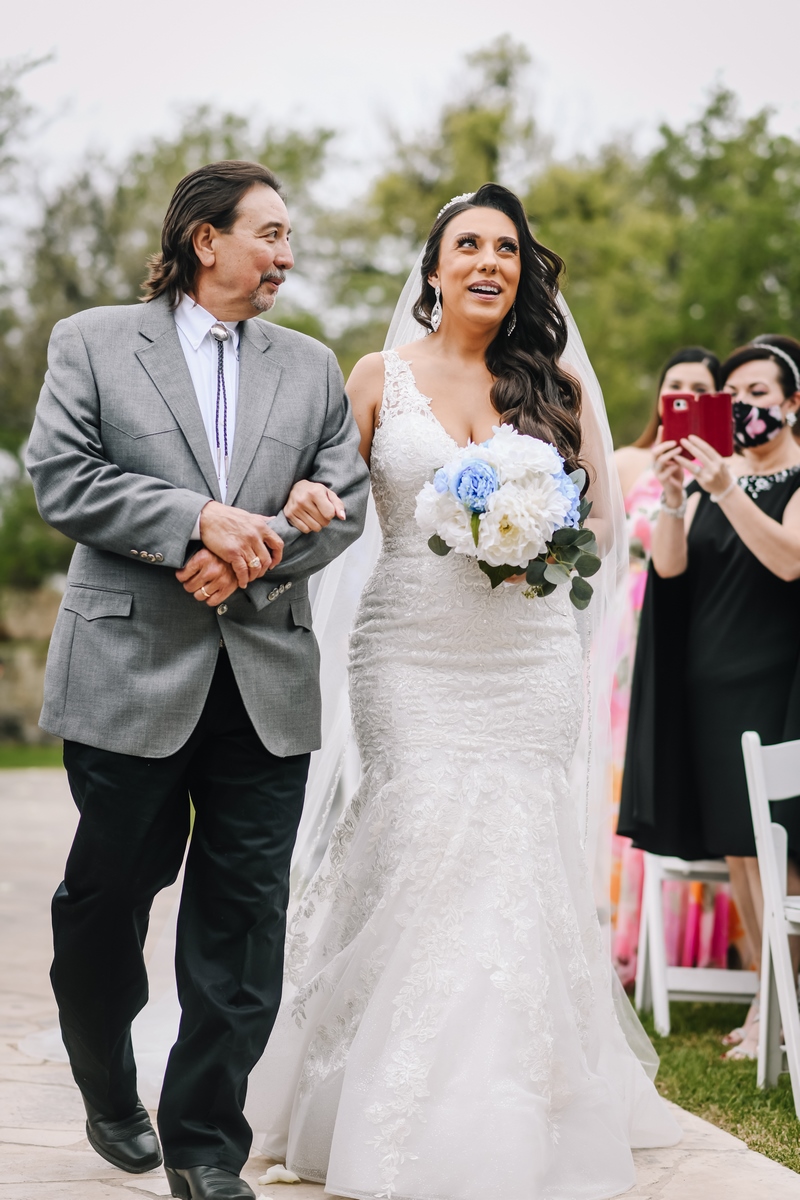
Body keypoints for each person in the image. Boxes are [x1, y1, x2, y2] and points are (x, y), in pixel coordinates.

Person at [245, 183, 680, 1200]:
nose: (489, 262)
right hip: (409, 653)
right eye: (469, 245)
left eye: (507, 250)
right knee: (419, 843)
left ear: (523, 275)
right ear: (434, 269)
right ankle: (376, 1098)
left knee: (510, 859)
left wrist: (535, 537)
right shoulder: (377, 376)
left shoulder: (554, 387)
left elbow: (599, 525)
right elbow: (321, 498)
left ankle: (503, 1113)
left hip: (527, 657)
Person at [25, 160, 370, 1200]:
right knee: (106, 899)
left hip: (265, 680)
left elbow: (343, 497)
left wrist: (251, 553)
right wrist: (195, 522)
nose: (286, 254)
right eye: (270, 233)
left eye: (289, 236)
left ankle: (206, 1144)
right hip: (127, 669)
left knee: (244, 919)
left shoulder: (310, 366)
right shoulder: (92, 341)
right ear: (204, 239)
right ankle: (103, 1075)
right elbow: (63, 477)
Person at [619, 334, 800, 1059]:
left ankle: (781, 1008)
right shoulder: (710, 481)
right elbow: (670, 568)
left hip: (773, 684)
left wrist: (726, 488)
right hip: (708, 690)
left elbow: (789, 561)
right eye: (738, 396)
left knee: (777, 849)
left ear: (793, 402)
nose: (749, 407)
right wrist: (673, 495)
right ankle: (767, 996)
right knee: (738, 852)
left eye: (761, 394)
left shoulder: (793, 480)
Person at [612, 348, 720, 985]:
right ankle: (619, 932)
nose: (682, 396)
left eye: (698, 388)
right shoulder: (628, 463)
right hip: (626, 633)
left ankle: (688, 943)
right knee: (620, 768)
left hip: (691, 626)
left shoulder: (725, 471)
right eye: (674, 385)